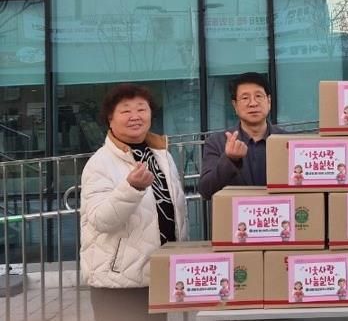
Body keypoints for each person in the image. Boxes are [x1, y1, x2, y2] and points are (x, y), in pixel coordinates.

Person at [80, 83, 187, 321]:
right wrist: (132, 188)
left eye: (141, 109)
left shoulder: (162, 155)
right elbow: (100, 220)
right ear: (110, 119)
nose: (135, 116)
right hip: (119, 282)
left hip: (157, 273)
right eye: (126, 110)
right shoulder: (100, 163)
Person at [198, 73, 286, 199]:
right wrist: (229, 159)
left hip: (278, 211)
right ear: (235, 105)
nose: (253, 103)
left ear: (269, 101)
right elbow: (206, 191)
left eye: (258, 96)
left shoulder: (287, 142)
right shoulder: (217, 142)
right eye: (245, 98)